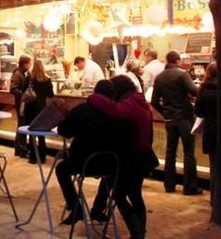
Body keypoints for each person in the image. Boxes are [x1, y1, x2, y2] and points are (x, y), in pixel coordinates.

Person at [88, 75, 155, 239]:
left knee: (119, 195)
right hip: (143, 155)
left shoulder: (129, 104)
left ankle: (137, 233)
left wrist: (94, 97)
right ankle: (140, 232)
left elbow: (115, 111)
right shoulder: (140, 102)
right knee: (135, 195)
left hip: (132, 157)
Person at [56, 80, 123, 225]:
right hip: (110, 162)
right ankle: (98, 209)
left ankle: (76, 208)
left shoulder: (82, 109)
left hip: (83, 161)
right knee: (110, 173)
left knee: (61, 169)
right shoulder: (118, 112)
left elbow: (65, 131)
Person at [151, 50, 202, 195]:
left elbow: (154, 101)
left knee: (170, 151)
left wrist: (165, 111)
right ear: (178, 61)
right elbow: (194, 91)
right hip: (185, 117)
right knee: (188, 152)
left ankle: (169, 185)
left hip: (169, 119)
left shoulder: (160, 77)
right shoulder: (182, 74)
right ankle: (189, 187)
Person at [24, 59, 54, 164]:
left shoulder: (29, 78)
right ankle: (42, 157)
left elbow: (24, 91)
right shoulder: (47, 79)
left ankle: (33, 157)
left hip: (30, 109)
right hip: (42, 109)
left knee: (31, 134)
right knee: (41, 134)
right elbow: (51, 95)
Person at [194, 62, 217, 205]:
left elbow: (199, 112)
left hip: (210, 131)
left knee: (214, 165)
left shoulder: (204, 89)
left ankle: (215, 199)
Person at [10, 55, 32, 159]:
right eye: (29, 63)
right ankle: (20, 149)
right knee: (22, 126)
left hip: (22, 103)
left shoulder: (21, 73)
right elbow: (13, 89)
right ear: (25, 64)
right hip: (21, 104)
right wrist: (24, 94)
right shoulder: (18, 74)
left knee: (21, 126)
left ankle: (19, 150)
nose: (30, 65)